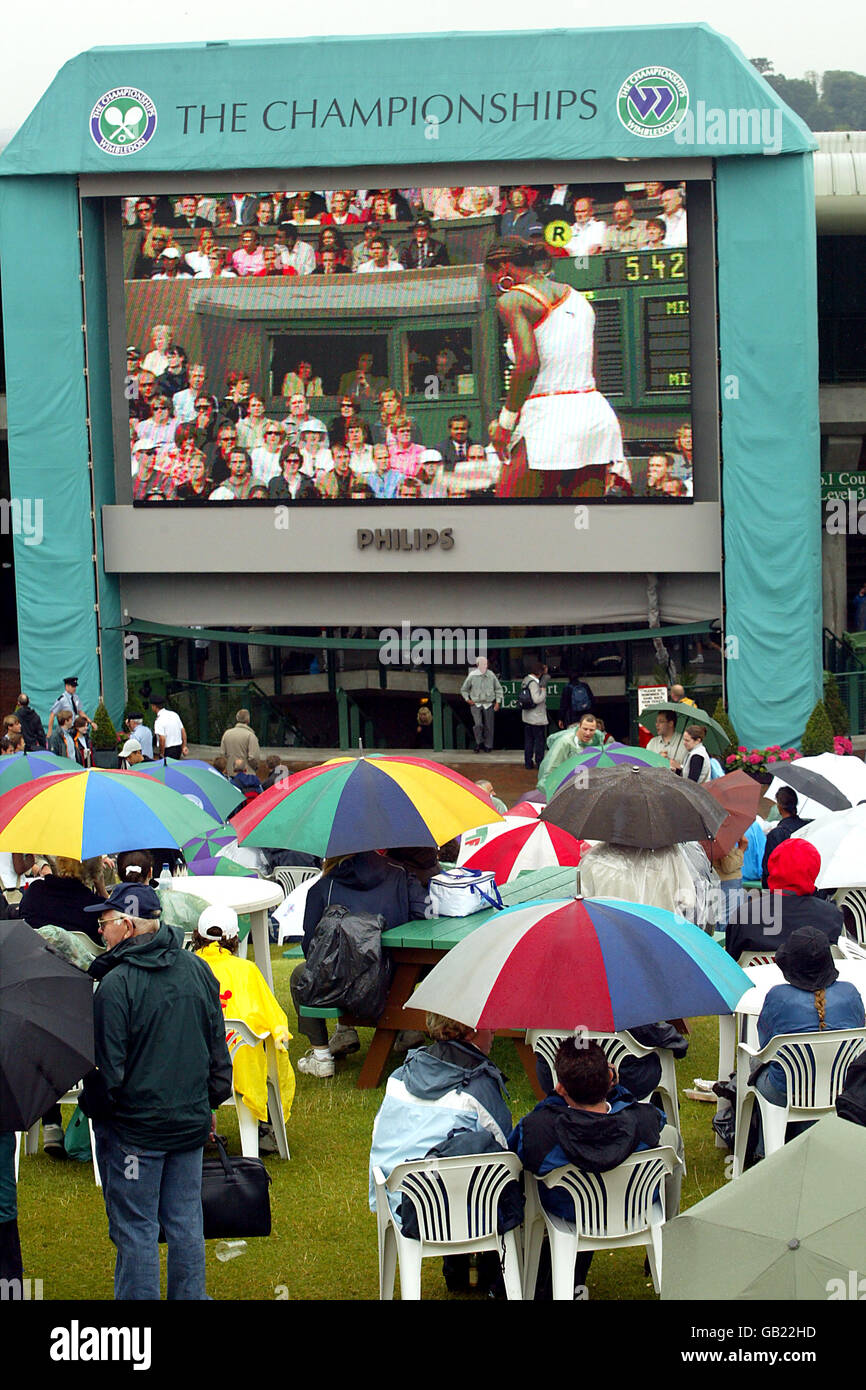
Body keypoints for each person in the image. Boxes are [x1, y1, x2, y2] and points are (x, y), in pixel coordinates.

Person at [79, 884, 232, 1300]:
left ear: (127, 926)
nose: (100, 932)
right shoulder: (198, 970)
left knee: (136, 1227)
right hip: (186, 1127)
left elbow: (107, 1073)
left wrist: (94, 1111)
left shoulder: (116, 985)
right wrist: (210, 1104)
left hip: (135, 1136)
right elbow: (219, 1053)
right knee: (185, 1220)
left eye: (105, 923)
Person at [508, 1039, 681, 1296]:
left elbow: (514, 1159)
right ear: (610, 1078)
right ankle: (671, 1234)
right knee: (671, 1137)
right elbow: (652, 1119)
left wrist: (553, 1100)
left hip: (569, 1213)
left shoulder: (538, 1130)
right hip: (636, 1208)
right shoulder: (645, 1121)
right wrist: (618, 1091)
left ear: (560, 1086)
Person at [369, 1012, 519, 1295]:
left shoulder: (399, 1077)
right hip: (459, 1209)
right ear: (472, 1031)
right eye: (489, 1024)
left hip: (396, 1201)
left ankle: (464, 1273)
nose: (495, 1029)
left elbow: (380, 1140)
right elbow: (506, 1154)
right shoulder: (480, 1088)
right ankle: (498, 1277)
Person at [485, 239, 630, 499]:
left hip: (549, 421)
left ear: (503, 267)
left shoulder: (512, 300)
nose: (489, 281)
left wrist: (505, 423)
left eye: (489, 274)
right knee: (579, 528)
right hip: (594, 417)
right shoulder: (579, 298)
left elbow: (528, 363)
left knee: (507, 522)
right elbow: (592, 364)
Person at [290, 850, 428, 1075]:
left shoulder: (323, 887)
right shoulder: (401, 875)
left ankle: (322, 1056)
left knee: (300, 975)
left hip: (341, 981)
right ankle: (403, 1026)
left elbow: (310, 949)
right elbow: (423, 918)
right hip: (397, 972)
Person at [193, 905, 295, 1153]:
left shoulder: (185, 968)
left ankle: (200, 1130)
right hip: (240, 1071)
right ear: (234, 938)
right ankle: (263, 1129)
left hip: (191, 1069)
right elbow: (275, 1021)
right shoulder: (247, 971)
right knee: (270, 1051)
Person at [752, 926, 865, 1141]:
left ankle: (765, 1147)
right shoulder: (851, 993)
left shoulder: (778, 997)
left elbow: (764, 1047)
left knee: (754, 1064)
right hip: (840, 1088)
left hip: (786, 1091)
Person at [725, 838, 845, 961]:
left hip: (757, 979)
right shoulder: (832, 915)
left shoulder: (744, 915)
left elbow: (730, 963)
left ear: (773, 868)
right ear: (814, 869)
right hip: (815, 980)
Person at [760, 787, 810, 888]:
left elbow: (768, 869)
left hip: (782, 890)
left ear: (779, 807)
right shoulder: (808, 828)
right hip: (806, 888)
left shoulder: (776, 834)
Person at [460, 656, 504, 753]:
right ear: (477, 665)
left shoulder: (491, 675)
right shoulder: (472, 675)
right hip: (476, 703)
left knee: (489, 725)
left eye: (486, 664)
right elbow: (464, 689)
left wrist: (498, 702)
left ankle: (488, 745)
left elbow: (498, 689)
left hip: (488, 703)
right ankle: (479, 742)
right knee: (478, 724)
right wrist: (467, 699)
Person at [521, 659, 549, 772]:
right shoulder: (534, 683)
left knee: (529, 741)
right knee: (539, 741)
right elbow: (537, 699)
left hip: (527, 716)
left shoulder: (526, 680)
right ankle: (539, 762)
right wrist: (543, 690)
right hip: (536, 717)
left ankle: (528, 762)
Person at [219, 708, 261, 773]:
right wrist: (255, 768)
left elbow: (222, 754)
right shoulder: (250, 735)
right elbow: (253, 757)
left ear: (237, 718)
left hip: (230, 772)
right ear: (248, 720)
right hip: (246, 774)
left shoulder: (227, 734)